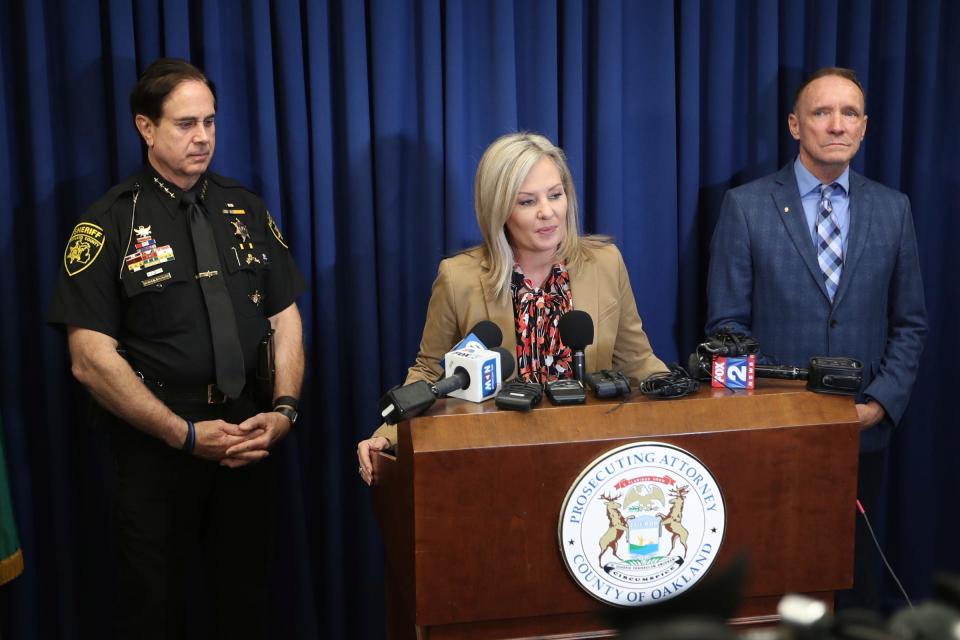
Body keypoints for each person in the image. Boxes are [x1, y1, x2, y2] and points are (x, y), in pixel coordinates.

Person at [47, 58, 306, 638]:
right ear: (146, 128)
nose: (203, 138)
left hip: (246, 436)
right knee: (153, 609)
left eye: (211, 122)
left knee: (245, 603)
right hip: (157, 450)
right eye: (186, 124)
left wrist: (284, 410)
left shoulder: (246, 207)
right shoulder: (108, 224)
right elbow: (89, 359)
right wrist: (182, 435)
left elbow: (285, 316)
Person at [705, 67, 927, 609]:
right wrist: (772, 409)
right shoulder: (746, 205)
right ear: (794, 125)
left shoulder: (893, 209)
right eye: (821, 113)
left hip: (861, 433)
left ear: (865, 127)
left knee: (852, 578)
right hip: (772, 434)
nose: (836, 125)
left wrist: (879, 403)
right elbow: (725, 328)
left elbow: (910, 323)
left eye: (849, 113)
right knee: (772, 576)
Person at [357, 132, 668, 484]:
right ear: (499, 209)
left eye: (555, 195)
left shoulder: (605, 264)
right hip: (498, 464)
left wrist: (684, 406)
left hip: (590, 463)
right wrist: (388, 433)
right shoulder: (459, 278)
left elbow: (637, 361)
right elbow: (431, 374)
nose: (547, 212)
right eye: (526, 202)